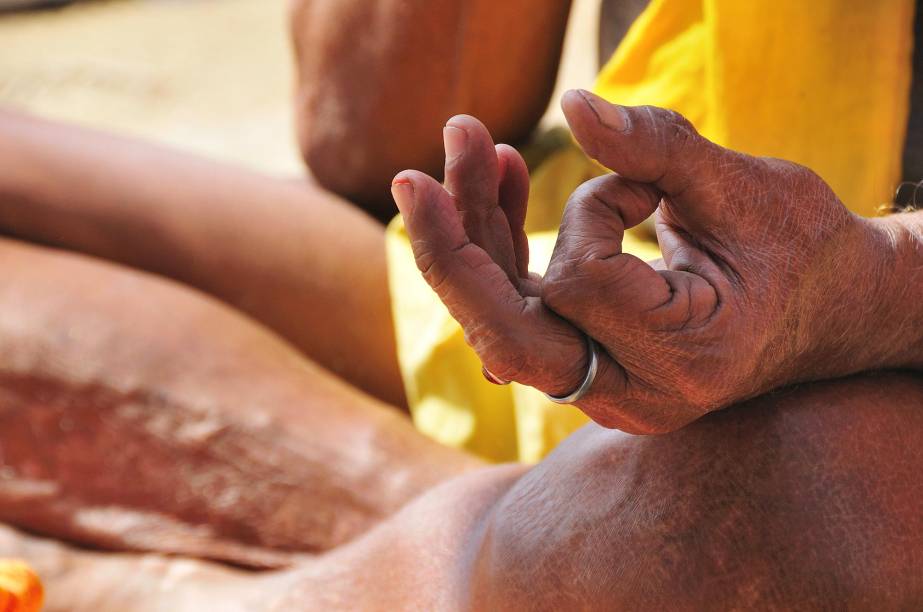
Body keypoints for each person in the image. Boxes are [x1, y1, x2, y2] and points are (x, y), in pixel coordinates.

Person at [1, 0, 922, 607]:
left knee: (813, 506)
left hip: (870, 369)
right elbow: (363, 139)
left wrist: (868, 289)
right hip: (592, 301)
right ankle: (495, 537)